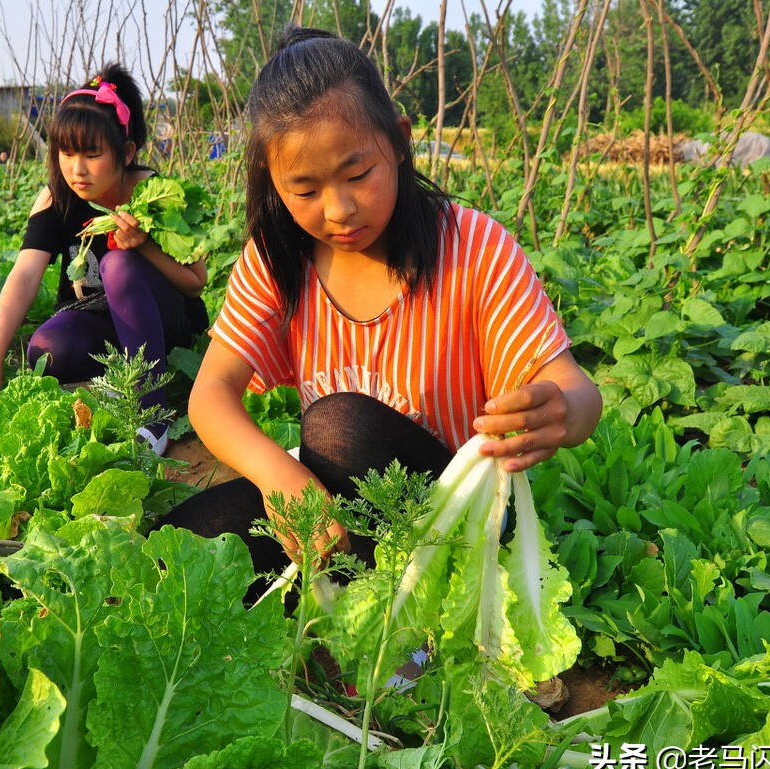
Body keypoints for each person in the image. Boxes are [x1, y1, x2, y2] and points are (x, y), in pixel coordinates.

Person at [159, 27, 602, 577]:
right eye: (305, 190)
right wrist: (280, 477)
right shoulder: (276, 259)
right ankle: (353, 590)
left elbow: (578, 391)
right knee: (175, 549)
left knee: (339, 427)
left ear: (398, 141)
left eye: (358, 174)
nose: (340, 209)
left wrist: (563, 412)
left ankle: (411, 628)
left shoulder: (473, 247)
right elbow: (210, 398)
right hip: (340, 510)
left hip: (458, 521)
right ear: (273, 182)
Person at [0, 64, 209, 454]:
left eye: (92, 154)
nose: (77, 168)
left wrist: (144, 246)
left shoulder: (152, 192)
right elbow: (24, 275)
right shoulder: (57, 198)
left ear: (126, 153)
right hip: (98, 320)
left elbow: (196, 282)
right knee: (46, 350)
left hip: (164, 322)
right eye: (66, 153)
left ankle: (151, 415)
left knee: (118, 264)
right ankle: (121, 381)